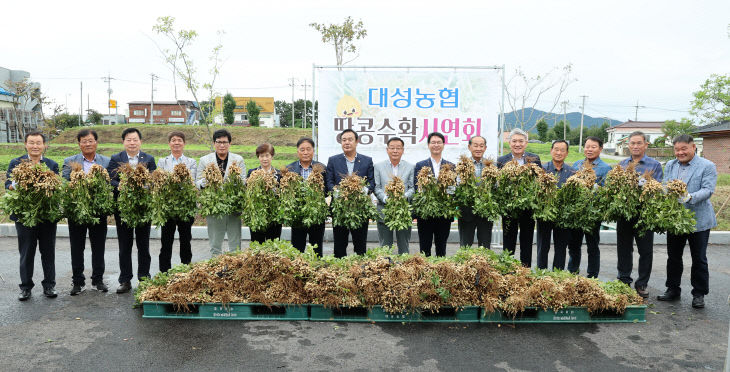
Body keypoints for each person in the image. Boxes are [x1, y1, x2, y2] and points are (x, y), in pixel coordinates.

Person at [658, 134, 717, 309]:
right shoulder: (670, 165)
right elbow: (665, 185)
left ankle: (699, 294)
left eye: (684, 149)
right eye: (676, 149)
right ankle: (673, 289)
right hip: (675, 219)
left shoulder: (707, 166)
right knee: (674, 257)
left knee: (698, 258)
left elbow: (708, 189)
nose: (680, 152)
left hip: (698, 220)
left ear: (693, 147)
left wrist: (690, 197)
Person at [6, 131, 60, 301]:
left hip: (46, 216)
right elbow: (8, 184)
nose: (35, 146)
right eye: (31, 142)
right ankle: (26, 287)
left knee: (48, 252)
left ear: (44, 145)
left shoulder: (51, 164)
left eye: (38, 143)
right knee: (26, 252)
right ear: (25, 144)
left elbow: (58, 187)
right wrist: (20, 182)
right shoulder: (16, 163)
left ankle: (49, 286)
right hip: (24, 215)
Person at [107, 128, 156, 294]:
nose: (132, 143)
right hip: (123, 208)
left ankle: (144, 278)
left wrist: (144, 187)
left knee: (144, 245)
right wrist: (122, 186)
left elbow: (154, 180)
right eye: (129, 139)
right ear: (123, 142)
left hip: (143, 207)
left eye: (135, 139)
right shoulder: (116, 158)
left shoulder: (149, 159)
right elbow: (111, 179)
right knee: (125, 245)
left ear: (140, 141)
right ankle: (125, 280)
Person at [62, 129, 111, 295]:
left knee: (99, 247)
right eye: (84, 141)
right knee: (77, 247)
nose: (87, 144)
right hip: (77, 211)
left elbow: (110, 184)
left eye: (90, 140)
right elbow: (65, 183)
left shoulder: (106, 161)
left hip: (98, 211)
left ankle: (98, 280)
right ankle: (78, 282)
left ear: (96, 142)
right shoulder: (70, 161)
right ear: (79, 144)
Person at [616, 131, 663, 298]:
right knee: (623, 249)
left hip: (644, 215)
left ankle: (642, 283)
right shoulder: (621, 164)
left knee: (645, 250)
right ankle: (623, 280)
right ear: (628, 145)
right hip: (624, 214)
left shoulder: (654, 165)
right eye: (632, 143)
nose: (635, 146)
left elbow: (657, 189)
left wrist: (645, 184)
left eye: (639, 143)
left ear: (645, 145)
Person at [196, 129, 246, 256]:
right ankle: (216, 268)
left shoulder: (238, 159)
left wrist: (234, 182)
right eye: (219, 142)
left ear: (230, 143)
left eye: (225, 142)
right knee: (215, 243)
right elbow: (198, 182)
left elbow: (243, 181)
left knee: (235, 244)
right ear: (214, 143)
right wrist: (208, 181)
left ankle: (235, 269)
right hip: (214, 205)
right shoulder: (205, 160)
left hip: (233, 204)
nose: (222, 145)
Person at [325, 129, 375, 258]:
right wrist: (338, 192)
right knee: (340, 245)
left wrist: (360, 191)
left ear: (357, 142)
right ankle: (340, 273)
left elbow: (371, 182)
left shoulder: (366, 160)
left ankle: (359, 273)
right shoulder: (333, 160)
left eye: (350, 139)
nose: (347, 143)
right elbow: (329, 181)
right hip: (340, 209)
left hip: (360, 209)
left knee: (360, 245)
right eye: (344, 140)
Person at [497, 128, 541, 267]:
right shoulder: (501, 160)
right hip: (509, 208)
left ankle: (525, 270)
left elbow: (539, 180)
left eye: (521, 141)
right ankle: (507, 269)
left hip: (528, 208)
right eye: (514, 141)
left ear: (526, 143)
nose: (517, 144)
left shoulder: (534, 159)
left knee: (526, 240)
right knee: (508, 239)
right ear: (509, 143)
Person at [568, 136, 611, 278]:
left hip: (593, 213)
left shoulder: (605, 168)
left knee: (592, 246)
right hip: (576, 211)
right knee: (574, 245)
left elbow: (607, 192)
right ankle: (572, 273)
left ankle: (592, 276)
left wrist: (596, 189)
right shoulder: (576, 164)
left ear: (600, 148)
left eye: (593, 147)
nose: (589, 149)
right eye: (587, 146)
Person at [536, 140, 581, 270]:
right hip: (545, 215)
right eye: (556, 149)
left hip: (563, 216)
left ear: (567, 153)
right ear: (551, 151)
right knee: (543, 246)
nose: (559, 152)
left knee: (561, 247)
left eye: (562, 150)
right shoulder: (542, 170)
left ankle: (557, 275)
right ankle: (541, 273)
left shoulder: (573, 173)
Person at [156, 131, 197, 273]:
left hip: (186, 206)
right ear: (169, 144)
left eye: (179, 140)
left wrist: (173, 180)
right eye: (173, 140)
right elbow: (161, 180)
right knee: (166, 242)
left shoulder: (191, 162)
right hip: (168, 207)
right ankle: (164, 272)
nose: (176, 143)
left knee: (185, 241)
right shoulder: (162, 161)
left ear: (184, 144)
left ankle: (185, 270)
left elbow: (191, 181)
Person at [414, 132, 454, 257]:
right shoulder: (420, 165)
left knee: (441, 247)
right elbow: (417, 187)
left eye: (439, 142)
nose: (436, 145)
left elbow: (453, 189)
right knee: (424, 247)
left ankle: (441, 272)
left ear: (443, 145)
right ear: (428, 145)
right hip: (425, 213)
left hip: (443, 213)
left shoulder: (451, 166)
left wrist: (445, 193)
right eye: (433, 142)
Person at [374, 137, 414, 254]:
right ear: (387, 150)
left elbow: (412, 188)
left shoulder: (410, 167)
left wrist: (404, 197)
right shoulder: (378, 167)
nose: (395, 151)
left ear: (403, 150)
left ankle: (404, 270)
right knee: (385, 247)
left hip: (404, 211)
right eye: (392, 148)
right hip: (384, 211)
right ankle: (385, 268)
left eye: (398, 148)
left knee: (404, 246)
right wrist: (386, 198)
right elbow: (377, 187)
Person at [287, 137, 327, 256]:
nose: (305, 152)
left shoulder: (322, 168)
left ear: (313, 151)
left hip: (316, 213)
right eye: (302, 149)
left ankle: (317, 271)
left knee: (316, 247)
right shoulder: (290, 168)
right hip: (297, 214)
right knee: (297, 247)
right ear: (297, 151)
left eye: (308, 149)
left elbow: (326, 189)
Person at [458, 136, 493, 249]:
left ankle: (484, 266)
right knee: (465, 246)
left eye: (481, 146)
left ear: (485, 148)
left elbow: (495, 186)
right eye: (475, 145)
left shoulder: (491, 165)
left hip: (485, 210)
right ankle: (464, 266)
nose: (478, 148)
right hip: (467, 210)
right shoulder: (462, 165)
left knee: (485, 245)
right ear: (469, 147)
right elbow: (457, 185)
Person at [246, 143, 282, 243]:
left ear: (272, 156)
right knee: (257, 243)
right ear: (258, 157)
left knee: (273, 244)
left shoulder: (279, 174)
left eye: (267, 155)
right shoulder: (252, 172)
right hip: (257, 215)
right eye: (262, 156)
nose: (264, 159)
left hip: (274, 216)